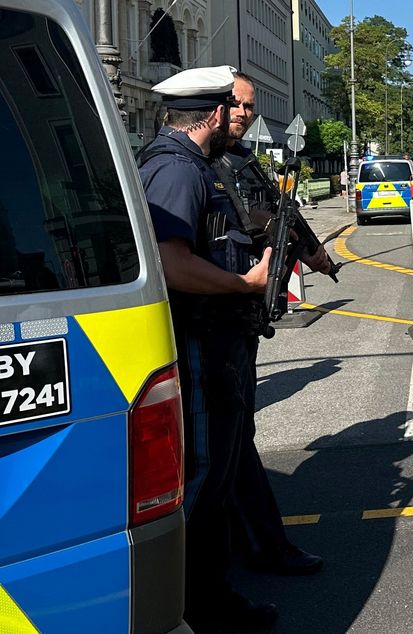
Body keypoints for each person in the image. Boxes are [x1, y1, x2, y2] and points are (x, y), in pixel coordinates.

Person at [137, 65, 277, 632]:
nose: (239, 118)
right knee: (201, 474)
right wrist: (244, 284)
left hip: (218, 337)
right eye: (233, 109)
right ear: (215, 113)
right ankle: (192, 604)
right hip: (200, 340)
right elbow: (171, 263)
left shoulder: (194, 166)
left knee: (217, 468)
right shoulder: (176, 170)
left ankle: (208, 593)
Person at [216, 71, 326, 577]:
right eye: (236, 105)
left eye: (249, 107)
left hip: (241, 318)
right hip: (214, 316)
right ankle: (258, 545)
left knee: (237, 430)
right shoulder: (189, 165)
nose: (244, 114)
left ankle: (240, 537)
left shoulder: (241, 161)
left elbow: (284, 214)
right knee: (229, 435)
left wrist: (316, 255)